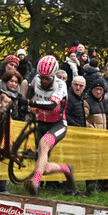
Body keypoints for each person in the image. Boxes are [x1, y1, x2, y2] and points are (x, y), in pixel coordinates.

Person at [26, 55, 76, 196]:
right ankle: (66, 169)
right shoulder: (36, 80)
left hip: (58, 124)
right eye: (42, 77)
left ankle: (35, 183)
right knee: (43, 166)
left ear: (54, 76)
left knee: (43, 144)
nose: (44, 81)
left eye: (47, 78)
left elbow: (52, 104)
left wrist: (33, 104)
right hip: (41, 123)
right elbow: (29, 95)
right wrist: (26, 103)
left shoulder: (61, 85)